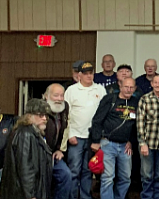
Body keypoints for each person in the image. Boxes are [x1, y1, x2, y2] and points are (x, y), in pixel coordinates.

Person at [89, 77, 139, 199]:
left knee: (126, 178)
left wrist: (131, 141)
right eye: (126, 86)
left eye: (131, 87)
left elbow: (136, 125)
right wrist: (95, 140)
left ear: (135, 89)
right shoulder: (110, 99)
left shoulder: (136, 102)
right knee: (107, 178)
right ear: (120, 86)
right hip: (107, 143)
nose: (128, 89)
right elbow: (97, 120)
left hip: (124, 147)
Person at [64, 61, 106, 199]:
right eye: (86, 74)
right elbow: (65, 115)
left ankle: (85, 196)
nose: (89, 76)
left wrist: (99, 137)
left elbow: (104, 114)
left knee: (88, 170)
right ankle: (72, 196)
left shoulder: (100, 89)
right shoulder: (71, 90)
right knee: (74, 170)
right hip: (76, 135)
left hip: (93, 137)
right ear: (79, 75)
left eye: (91, 73)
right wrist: (69, 134)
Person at [0, 99, 54, 199]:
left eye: (46, 115)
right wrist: (30, 195)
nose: (45, 118)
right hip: (25, 193)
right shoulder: (26, 134)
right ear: (29, 116)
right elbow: (26, 168)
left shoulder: (30, 132)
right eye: (40, 115)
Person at [137, 75, 159, 199]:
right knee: (147, 175)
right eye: (155, 82)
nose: (158, 85)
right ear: (151, 84)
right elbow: (140, 122)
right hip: (148, 144)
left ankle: (158, 196)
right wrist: (142, 143)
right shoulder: (145, 99)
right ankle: (146, 196)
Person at [43, 84, 73, 199]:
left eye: (62, 95)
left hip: (55, 153)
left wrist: (61, 149)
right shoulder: (39, 109)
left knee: (66, 175)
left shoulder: (64, 107)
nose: (60, 99)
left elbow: (67, 128)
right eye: (56, 95)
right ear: (46, 96)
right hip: (40, 154)